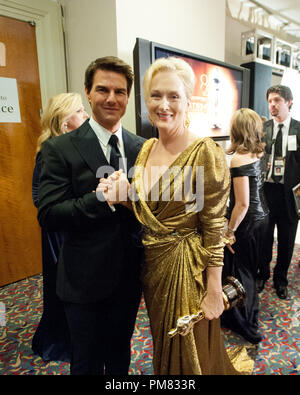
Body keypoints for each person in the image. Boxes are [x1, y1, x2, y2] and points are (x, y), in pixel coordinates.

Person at [98, 57, 253, 375]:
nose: (163, 104)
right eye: (155, 95)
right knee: (163, 342)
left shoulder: (204, 152)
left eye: (173, 96)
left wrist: (213, 291)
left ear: (187, 100)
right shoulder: (146, 149)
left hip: (188, 272)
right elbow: (150, 211)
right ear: (146, 100)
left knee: (188, 349)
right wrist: (125, 195)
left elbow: (213, 226)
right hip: (153, 269)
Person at [37, 56, 145, 375]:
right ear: (88, 92)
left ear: (128, 96)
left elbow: (150, 210)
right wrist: (101, 198)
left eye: (120, 91)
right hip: (83, 282)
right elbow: (50, 215)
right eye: (103, 89)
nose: (112, 98)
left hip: (128, 279)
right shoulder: (60, 149)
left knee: (119, 358)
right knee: (85, 363)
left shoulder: (142, 147)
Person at [32, 92, 88, 362]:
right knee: (61, 286)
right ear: (65, 121)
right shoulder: (49, 153)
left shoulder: (73, 147)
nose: (86, 115)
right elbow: (38, 196)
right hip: (58, 232)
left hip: (72, 228)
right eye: (80, 111)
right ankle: (60, 341)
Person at [220, 108, 269, 344]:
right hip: (262, 219)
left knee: (242, 272)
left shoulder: (239, 159)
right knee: (247, 268)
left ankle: (247, 323)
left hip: (247, 222)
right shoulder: (258, 153)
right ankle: (239, 316)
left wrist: (229, 231)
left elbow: (241, 204)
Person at [257, 85, 300, 299]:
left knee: (286, 240)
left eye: (277, 101)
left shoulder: (298, 130)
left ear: (288, 102)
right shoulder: (262, 128)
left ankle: (280, 279)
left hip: (290, 195)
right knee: (264, 238)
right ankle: (262, 274)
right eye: (270, 101)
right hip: (266, 193)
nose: (272, 105)